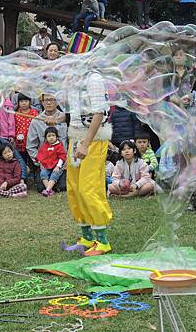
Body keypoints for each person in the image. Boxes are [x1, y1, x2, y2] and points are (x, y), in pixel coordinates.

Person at [65, 71, 114, 256]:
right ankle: (86, 236)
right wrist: (61, 118)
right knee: (75, 188)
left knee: (89, 188)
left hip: (92, 140)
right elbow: (77, 113)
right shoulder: (75, 78)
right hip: (76, 137)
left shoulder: (94, 79)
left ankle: (102, 241)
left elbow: (99, 113)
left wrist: (86, 144)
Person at [27, 93, 68, 193]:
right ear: (42, 102)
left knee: (62, 187)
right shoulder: (36, 121)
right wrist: (39, 162)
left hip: (62, 163)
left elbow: (72, 142)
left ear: (57, 101)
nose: (49, 102)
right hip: (44, 164)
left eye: (52, 99)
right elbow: (30, 146)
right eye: (46, 100)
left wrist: (68, 160)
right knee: (41, 188)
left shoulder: (66, 118)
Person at [14, 93, 39, 181]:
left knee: (33, 159)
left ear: (30, 102)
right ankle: (24, 177)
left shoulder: (34, 113)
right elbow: (15, 126)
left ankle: (36, 176)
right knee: (22, 159)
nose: (24, 103)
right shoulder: (16, 114)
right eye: (21, 101)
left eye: (26, 101)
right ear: (18, 103)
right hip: (20, 142)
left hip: (32, 141)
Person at [35, 127, 67, 197]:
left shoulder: (59, 146)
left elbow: (62, 157)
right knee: (43, 173)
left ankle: (47, 190)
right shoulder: (44, 146)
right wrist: (40, 163)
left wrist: (58, 166)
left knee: (54, 175)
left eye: (53, 135)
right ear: (46, 138)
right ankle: (49, 190)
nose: (51, 138)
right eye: (49, 136)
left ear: (56, 137)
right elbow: (40, 155)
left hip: (56, 166)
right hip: (46, 166)